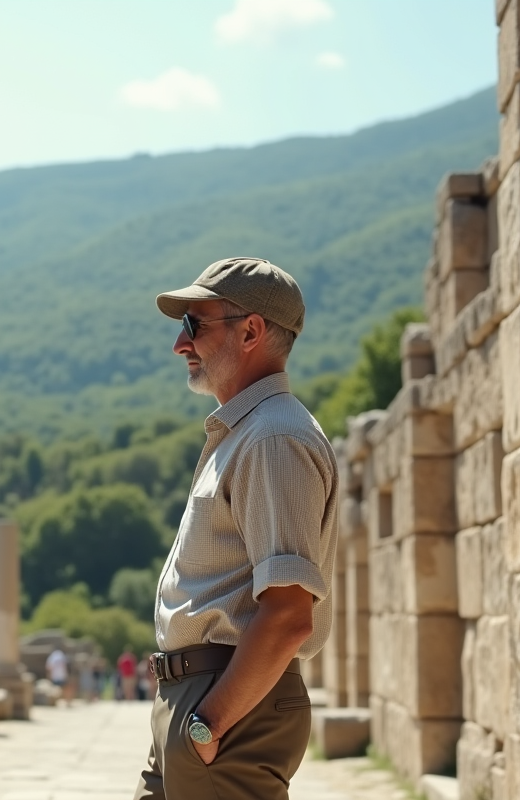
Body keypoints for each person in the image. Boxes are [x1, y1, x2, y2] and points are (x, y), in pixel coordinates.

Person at [134, 258, 338, 800]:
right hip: (200, 704)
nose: (181, 344)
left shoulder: (273, 438)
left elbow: (290, 614)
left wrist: (208, 725)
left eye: (195, 325)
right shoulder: (249, 433)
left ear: (251, 331)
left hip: (225, 711)